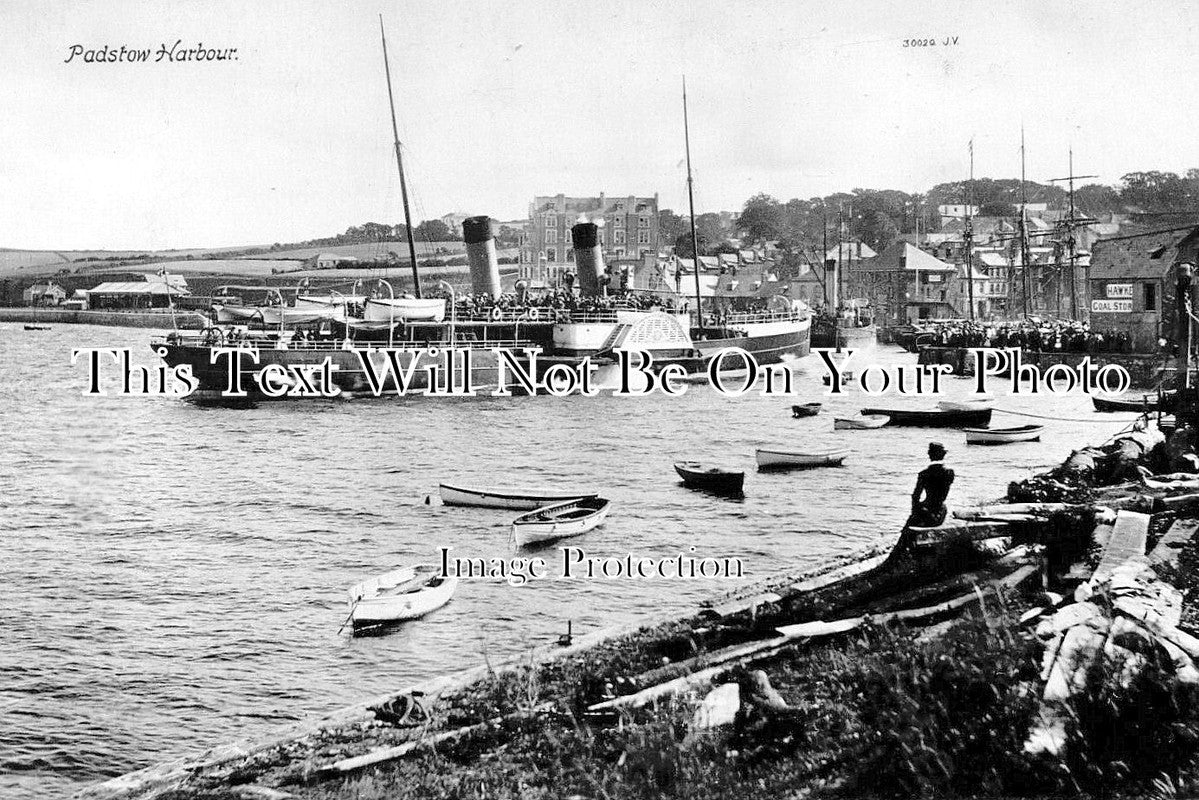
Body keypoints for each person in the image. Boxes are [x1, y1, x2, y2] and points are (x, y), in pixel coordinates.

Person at [910, 442, 955, 527]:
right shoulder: (949, 473)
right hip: (939, 512)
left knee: (912, 523)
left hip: (925, 511)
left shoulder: (923, 474)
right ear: (943, 455)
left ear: (930, 455)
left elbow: (915, 497)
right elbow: (942, 494)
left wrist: (916, 511)